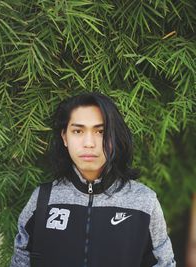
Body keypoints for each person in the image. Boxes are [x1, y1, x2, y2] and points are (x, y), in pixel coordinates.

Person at [10, 92, 176, 267]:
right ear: (65, 137)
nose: (89, 143)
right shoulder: (43, 199)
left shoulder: (143, 202)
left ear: (114, 137)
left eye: (100, 131)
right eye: (78, 131)